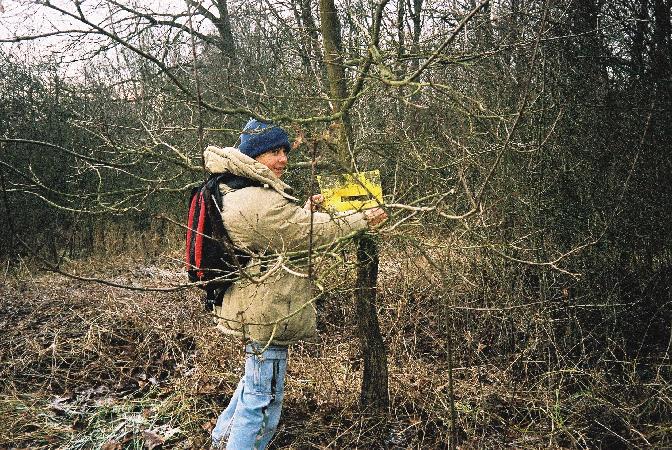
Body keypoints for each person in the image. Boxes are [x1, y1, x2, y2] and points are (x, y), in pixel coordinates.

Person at [205, 119, 387, 449]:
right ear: (254, 155)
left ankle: (221, 440)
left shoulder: (238, 189)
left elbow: (279, 236)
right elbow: (304, 234)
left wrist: (305, 211)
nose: (283, 158)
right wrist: (364, 217)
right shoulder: (257, 201)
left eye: (285, 150)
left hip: (254, 308)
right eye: (274, 151)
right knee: (263, 400)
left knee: (253, 385)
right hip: (268, 315)